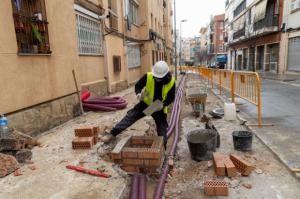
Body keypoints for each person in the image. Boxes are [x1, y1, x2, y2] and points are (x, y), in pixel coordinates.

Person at [101, 61, 175, 148]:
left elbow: (171, 97)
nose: (156, 79)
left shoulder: (171, 82)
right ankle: (112, 134)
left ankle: (162, 149)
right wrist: (139, 94)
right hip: (146, 104)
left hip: (157, 107)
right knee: (130, 117)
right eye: (155, 77)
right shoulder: (148, 76)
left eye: (159, 78)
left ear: (165, 75)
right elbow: (138, 86)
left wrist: (163, 104)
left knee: (162, 131)